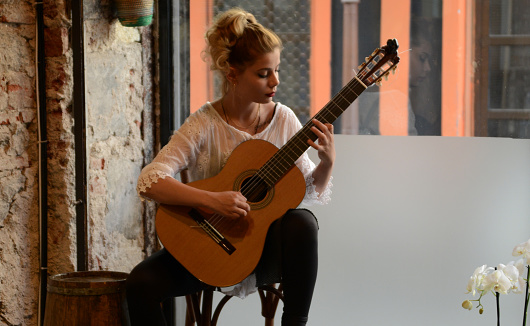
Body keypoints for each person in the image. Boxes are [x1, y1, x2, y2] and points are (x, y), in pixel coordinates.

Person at [125, 7, 335, 326]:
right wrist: (212, 200)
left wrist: (327, 164)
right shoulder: (203, 124)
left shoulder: (285, 120)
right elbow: (149, 180)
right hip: (211, 245)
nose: (275, 81)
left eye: (276, 70)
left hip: (264, 250)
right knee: (140, 284)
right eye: (264, 73)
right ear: (233, 74)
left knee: (303, 223)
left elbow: (303, 191)